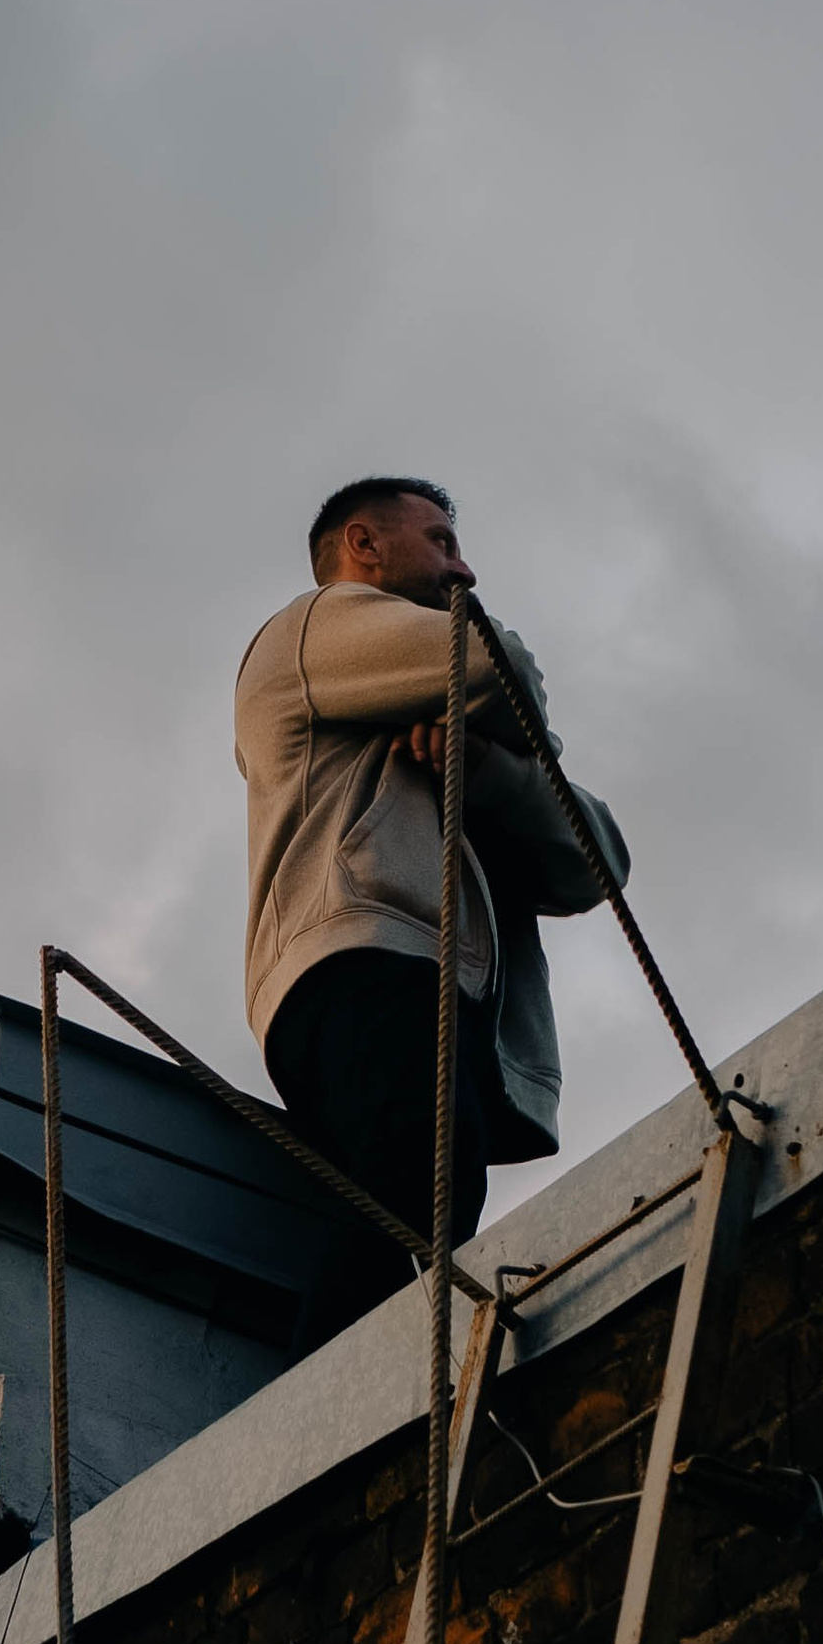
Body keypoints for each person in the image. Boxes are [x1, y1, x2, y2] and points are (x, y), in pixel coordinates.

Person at [237, 475, 630, 1343]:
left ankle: (358, 1427)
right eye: (442, 540)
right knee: (420, 1177)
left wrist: (485, 768)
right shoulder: (310, 628)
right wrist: (500, 715)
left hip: (430, 988)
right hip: (361, 960)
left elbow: (598, 862)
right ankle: (312, 1440)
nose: (466, 569)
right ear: (363, 544)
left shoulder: (442, 705)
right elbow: (499, 663)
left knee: (426, 1201)